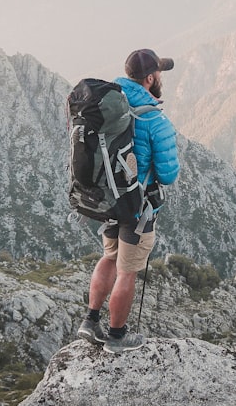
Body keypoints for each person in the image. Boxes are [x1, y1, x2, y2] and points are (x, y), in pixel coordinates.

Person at [77, 48, 180, 354]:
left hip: (107, 200)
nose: (160, 77)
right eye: (159, 73)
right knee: (127, 270)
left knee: (109, 258)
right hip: (136, 208)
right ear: (150, 79)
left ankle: (90, 321)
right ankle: (117, 336)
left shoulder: (109, 106)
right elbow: (168, 173)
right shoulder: (154, 120)